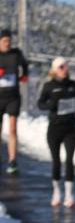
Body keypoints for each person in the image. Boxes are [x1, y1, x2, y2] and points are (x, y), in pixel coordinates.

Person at [37, 57, 75, 207]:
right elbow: (40, 104)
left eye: (66, 66)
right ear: (55, 69)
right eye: (61, 67)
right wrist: (50, 104)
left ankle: (69, 194)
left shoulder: (73, 85)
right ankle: (56, 192)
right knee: (56, 161)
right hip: (55, 129)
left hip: (70, 128)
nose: (65, 69)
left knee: (69, 160)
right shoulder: (49, 86)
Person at [0, 28, 30, 175]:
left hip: (13, 96)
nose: (7, 43)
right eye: (4, 41)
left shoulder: (16, 54)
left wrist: (24, 76)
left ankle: (12, 160)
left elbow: (25, 65)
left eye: (9, 41)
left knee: (12, 128)